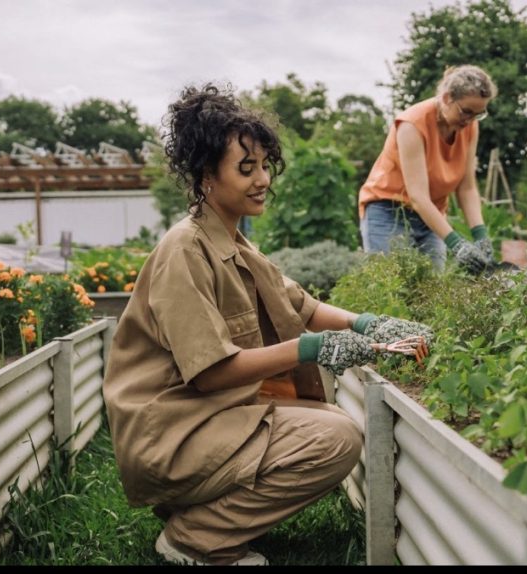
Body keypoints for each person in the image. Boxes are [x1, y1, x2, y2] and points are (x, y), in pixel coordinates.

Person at [101, 83, 432, 566]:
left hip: (207, 417)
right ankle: (196, 539)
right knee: (335, 441)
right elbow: (212, 373)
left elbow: (301, 305)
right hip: (173, 433)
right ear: (206, 175)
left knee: (334, 421)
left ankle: (197, 511)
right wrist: (314, 348)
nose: (261, 180)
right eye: (246, 168)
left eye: (263, 166)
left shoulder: (232, 241)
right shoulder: (184, 251)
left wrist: (370, 323)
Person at [358, 65, 497, 274]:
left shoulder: (469, 126)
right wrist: (457, 244)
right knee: (390, 285)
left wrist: (481, 236)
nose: (470, 121)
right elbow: (418, 197)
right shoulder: (412, 125)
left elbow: (467, 188)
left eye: (478, 114)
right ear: (447, 98)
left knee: (432, 287)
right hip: (388, 211)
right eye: (466, 112)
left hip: (431, 215)